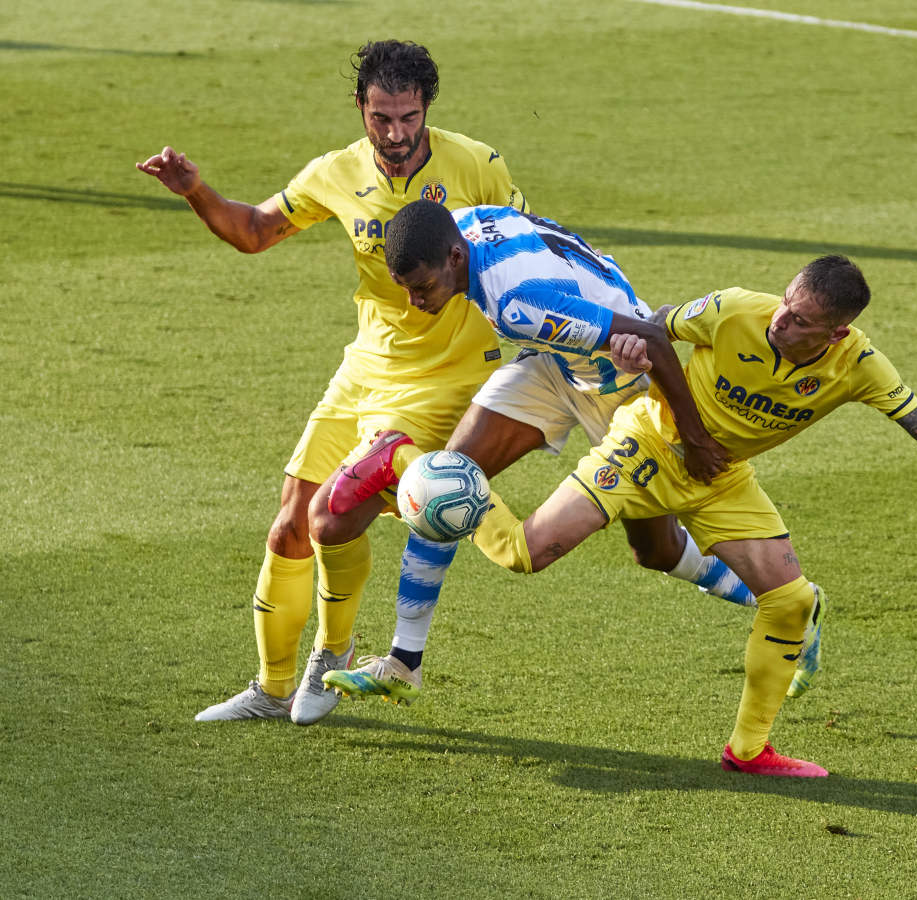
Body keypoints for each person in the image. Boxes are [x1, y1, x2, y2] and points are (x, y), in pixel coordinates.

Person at [331, 254, 917, 776]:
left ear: (836, 333)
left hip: (722, 480)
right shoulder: (732, 309)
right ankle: (406, 466)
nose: (780, 319)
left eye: (800, 320)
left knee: (787, 601)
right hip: (647, 444)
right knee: (522, 554)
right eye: (784, 304)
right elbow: (650, 332)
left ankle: (749, 751)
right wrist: (627, 347)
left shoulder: (860, 366)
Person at [137, 40, 528, 725]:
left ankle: (332, 654)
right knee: (289, 525)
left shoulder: (478, 165)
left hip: (450, 377)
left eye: (408, 117)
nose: (396, 133)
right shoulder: (335, 172)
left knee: (333, 517)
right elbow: (255, 232)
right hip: (368, 366)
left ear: (427, 109)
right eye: (381, 118)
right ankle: (270, 688)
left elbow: (527, 248)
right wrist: (196, 190)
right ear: (360, 109)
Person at [308, 200, 801, 704]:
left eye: (423, 287)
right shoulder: (468, 219)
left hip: (625, 387)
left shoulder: (515, 303)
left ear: (455, 258)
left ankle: (794, 610)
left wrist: (695, 439)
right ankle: (402, 662)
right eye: (407, 289)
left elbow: (650, 337)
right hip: (558, 364)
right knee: (444, 481)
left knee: (655, 550)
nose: (415, 302)